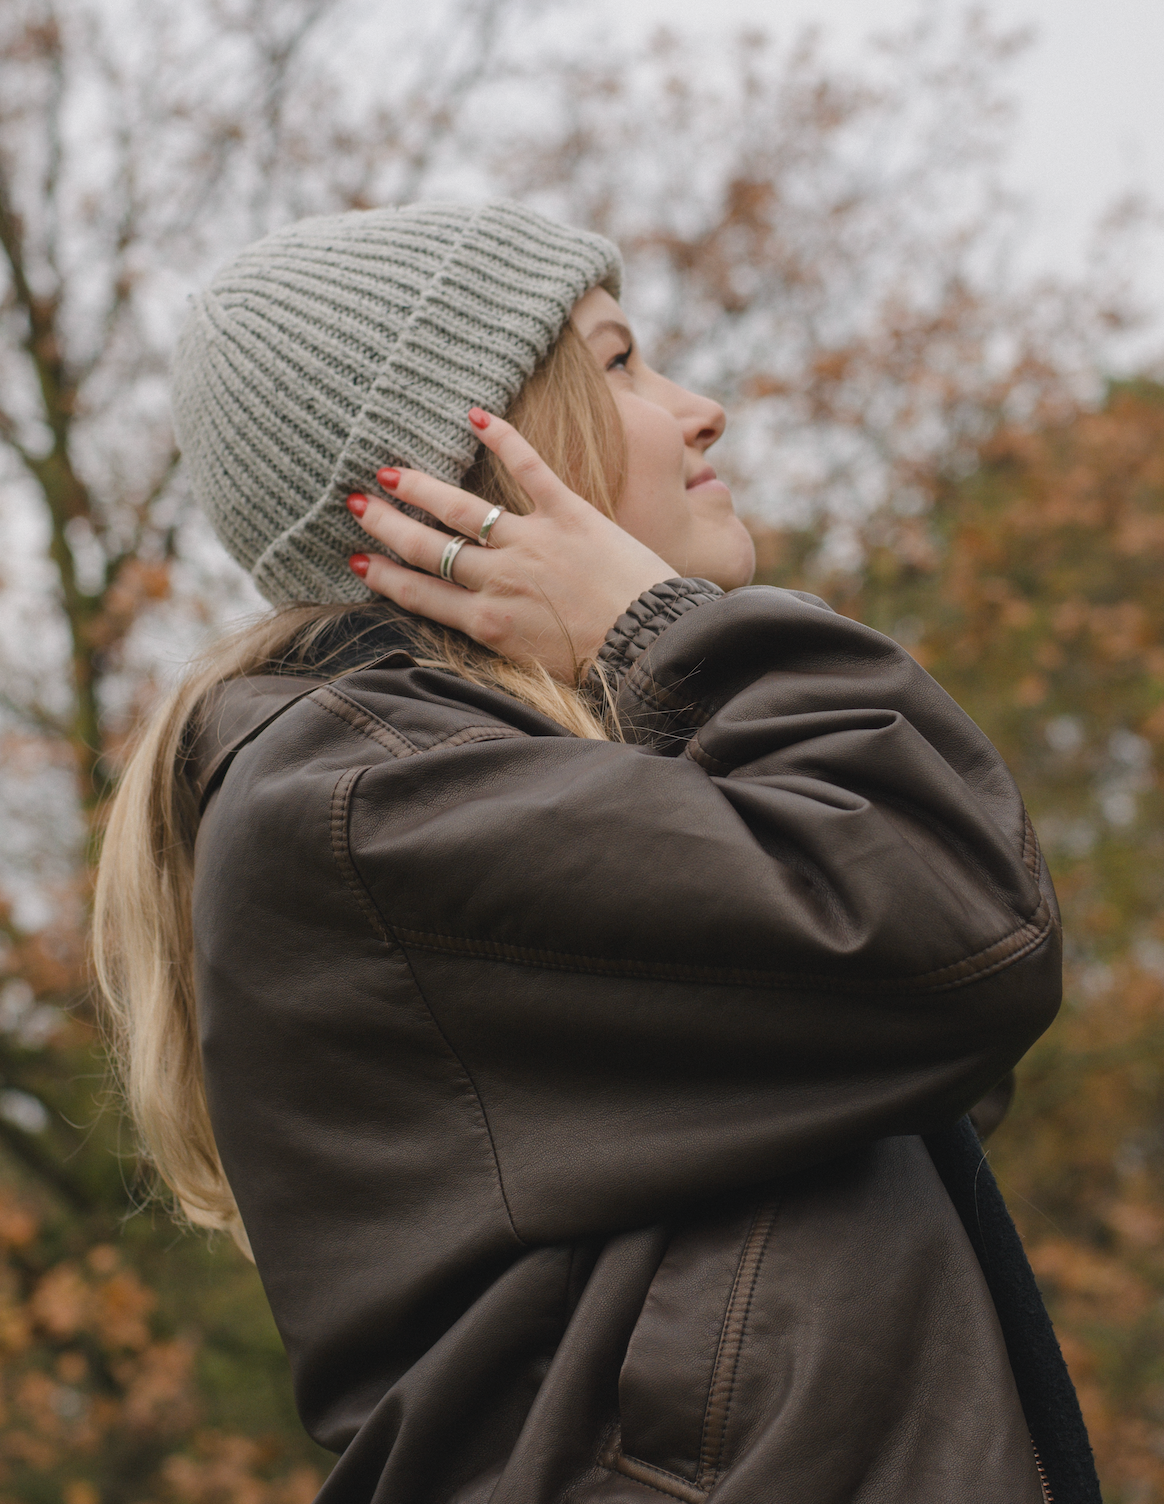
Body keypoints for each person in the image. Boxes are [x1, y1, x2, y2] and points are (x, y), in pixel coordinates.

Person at [93, 202, 1099, 1503]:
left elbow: (925, 1024)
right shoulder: (373, 801)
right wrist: (649, 621)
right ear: (460, 471)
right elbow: (962, 918)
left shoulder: (500, 775)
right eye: (619, 362)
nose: (702, 408)